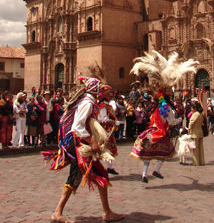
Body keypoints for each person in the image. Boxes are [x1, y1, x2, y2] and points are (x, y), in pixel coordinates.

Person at [42, 77, 124, 223]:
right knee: (93, 175)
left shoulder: (87, 101)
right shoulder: (88, 103)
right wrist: (92, 142)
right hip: (79, 144)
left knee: (81, 176)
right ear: (94, 89)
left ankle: (105, 212)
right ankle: (58, 212)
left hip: (77, 143)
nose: (101, 90)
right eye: (99, 87)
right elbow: (78, 126)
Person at [129, 50, 198, 183]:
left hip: (150, 132)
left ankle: (144, 174)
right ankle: (157, 170)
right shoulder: (164, 107)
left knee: (147, 156)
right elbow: (171, 121)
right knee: (165, 153)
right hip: (160, 134)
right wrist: (180, 119)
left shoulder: (154, 106)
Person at [97, 85, 119, 175]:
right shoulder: (102, 106)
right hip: (101, 129)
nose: (111, 96)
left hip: (106, 129)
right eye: (109, 94)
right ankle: (97, 168)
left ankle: (110, 167)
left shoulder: (106, 105)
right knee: (100, 148)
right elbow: (101, 118)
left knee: (108, 148)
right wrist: (109, 121)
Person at [188, 101, 205, 166]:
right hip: (200, 132)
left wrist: (189, 129)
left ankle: (196, 162)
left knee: (195, 149)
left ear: (195, 108)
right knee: (201, 148)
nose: (191, 109)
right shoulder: (201, 114)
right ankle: (202, 161)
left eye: (192, 108)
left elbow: (191, 122)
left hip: (195, 133)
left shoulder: (195, 114)